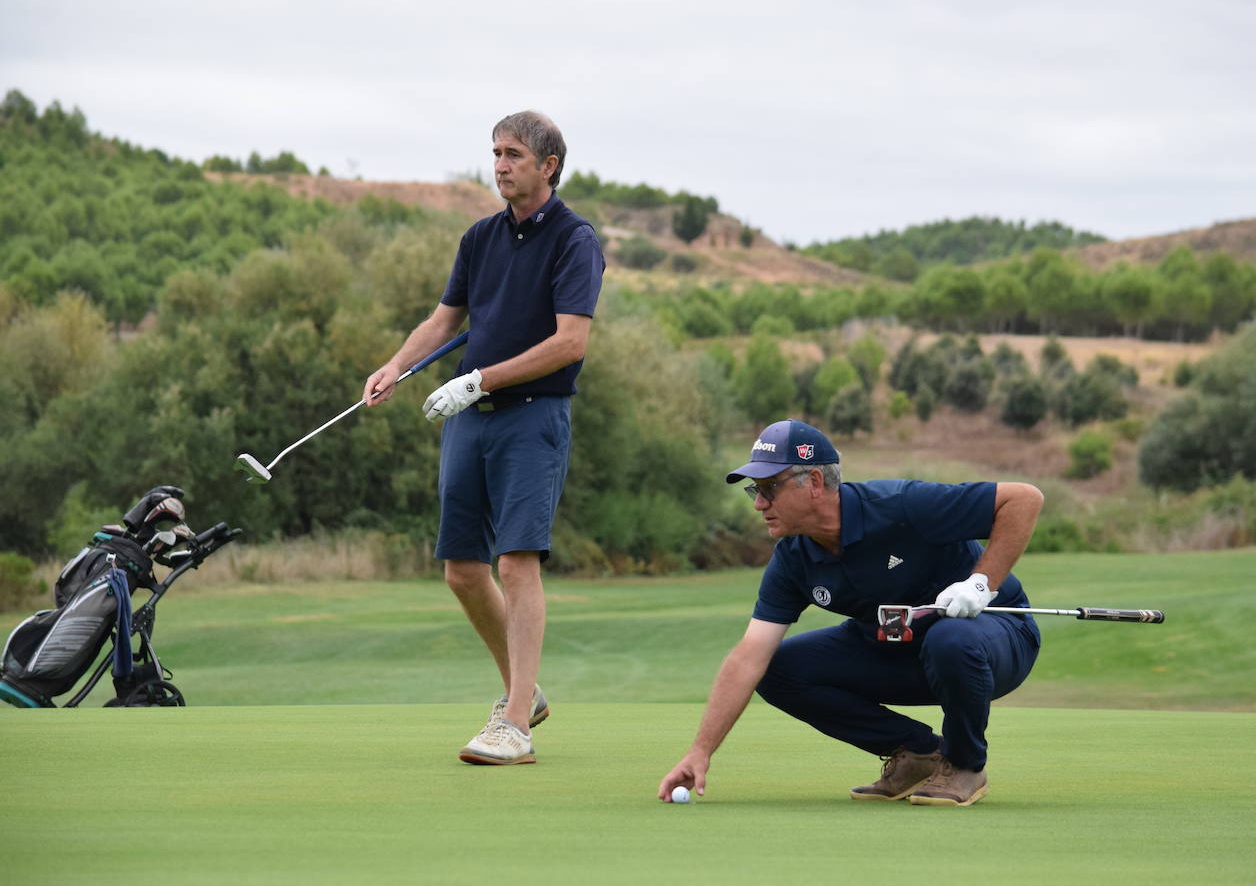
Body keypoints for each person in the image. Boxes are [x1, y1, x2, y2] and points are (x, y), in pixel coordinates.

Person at [363, 111, 604, 765]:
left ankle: (515, 723)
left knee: (516, 562)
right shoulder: (480, 237)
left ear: (548, 165)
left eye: (514, 155)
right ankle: (526, 693)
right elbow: (445, 319)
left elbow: (571, 342)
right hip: (472, 421)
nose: (499, 164)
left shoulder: (574, 240)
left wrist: (479, 380)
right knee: (463, 569)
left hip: (533, 417)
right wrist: (396, 366)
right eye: (495, 152)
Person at [658, 419, 1043, 806]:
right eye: (755, 490)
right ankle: (917, 753)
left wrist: (980, 584)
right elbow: (748, 656)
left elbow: (1024, 499)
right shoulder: (793, 559)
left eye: (769, 488)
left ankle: (964, 764)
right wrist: (700, 750)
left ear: (812, 483)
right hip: (898, 646)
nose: (759, 503)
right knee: (776, 668)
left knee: (950, 639)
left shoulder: (901, 506)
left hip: (995, 637)